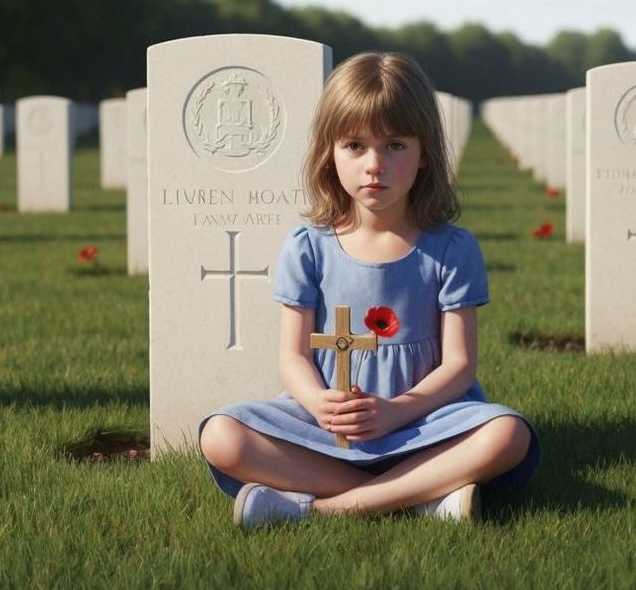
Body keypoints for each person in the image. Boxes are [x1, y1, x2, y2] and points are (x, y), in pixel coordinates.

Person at [198, 51, 540, 530]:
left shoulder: (451, 249)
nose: (374, 165)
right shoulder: (308, 248)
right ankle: (423, 494)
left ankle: (318, 508)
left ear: (425, 155)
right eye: (355, 146)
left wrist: (397, 410)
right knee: (221, 436)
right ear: (328, 153)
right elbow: (292, 357)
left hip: (425, 419)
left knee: (507, 435)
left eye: (395, 145)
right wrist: (320, 404)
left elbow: (460, 365)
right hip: (327, 425)